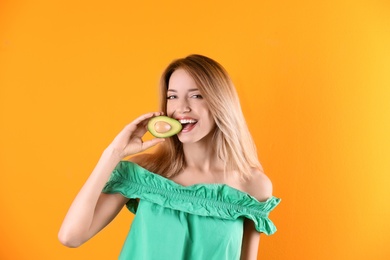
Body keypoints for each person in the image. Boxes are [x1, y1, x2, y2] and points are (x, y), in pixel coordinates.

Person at [58, 54, 280, 259]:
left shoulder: (253, 185)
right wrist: (113, 154)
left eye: (196, 95)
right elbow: (70, 237)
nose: (181, 107)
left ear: (220, 103)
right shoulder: (145, 172)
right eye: (172, 96)